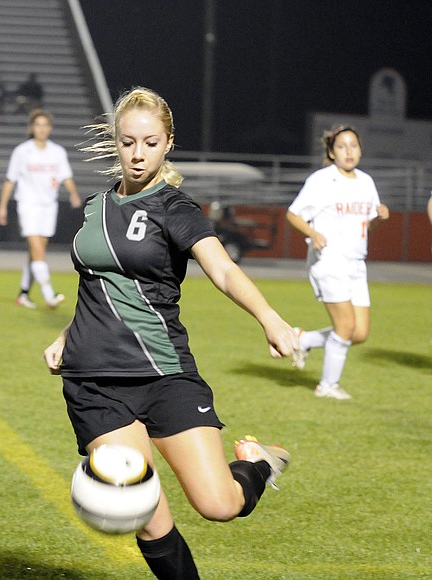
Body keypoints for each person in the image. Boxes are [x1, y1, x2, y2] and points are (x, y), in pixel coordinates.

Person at [42, 87, 298, 579]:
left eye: (150, 142)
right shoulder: (94, 206)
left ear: (168, 144)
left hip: (163, 374)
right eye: (128, 142)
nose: (138, 153)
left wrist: (269, 317)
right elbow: (100, 285)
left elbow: (223, 271)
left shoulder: (175, 207)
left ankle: (260, 463)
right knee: (146, 518)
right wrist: (65, 334)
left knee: (219, 504)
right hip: (92, 383)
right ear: (115, 142)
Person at [287, 125, 389, 400]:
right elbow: (293, 214)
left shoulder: (366, 181)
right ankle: (327, 385)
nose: (348, 151)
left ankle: (302, 340)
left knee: (359, 333)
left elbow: (366, 225)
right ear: (331, 153)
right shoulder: (321, 180)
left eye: (353, 145)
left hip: (356, 263)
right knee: (344, 328)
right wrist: (313, 233)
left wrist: (378, 218)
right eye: (341, 147)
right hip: (329, 261)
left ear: (360, 149)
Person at [0, 109, 81, 309]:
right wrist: (2, 207)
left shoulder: (57, 152)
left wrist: (73, 193)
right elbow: (10, 180)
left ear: (49, 128)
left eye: (45, 125)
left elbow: (65, 176)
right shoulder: (22, 151)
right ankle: (49, 294)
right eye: (38, 125)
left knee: (37, 253)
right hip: (28, 205)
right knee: (37, 251)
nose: (42, 129)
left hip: (48, 206)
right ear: (31, 127)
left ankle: (24, 293)